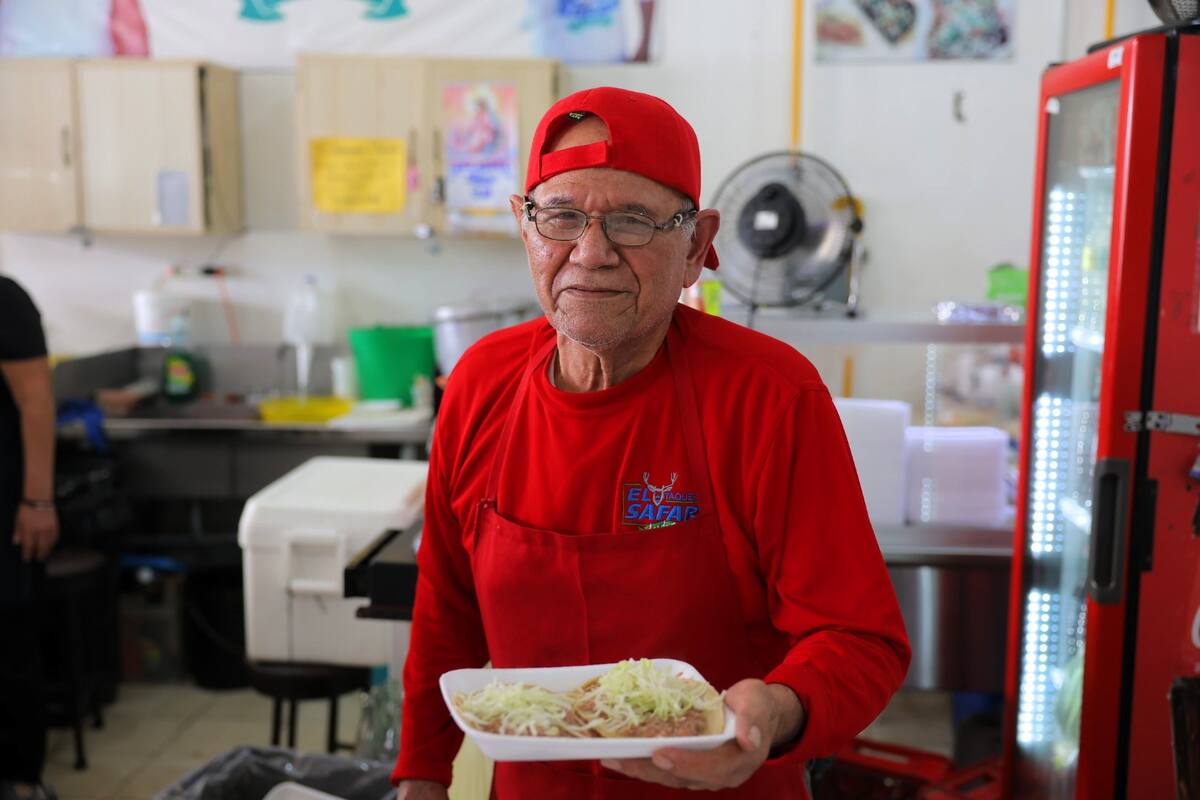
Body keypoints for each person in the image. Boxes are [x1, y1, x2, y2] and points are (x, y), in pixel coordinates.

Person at [393, 87, 910, 799]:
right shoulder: (482, 382)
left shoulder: (770, 397)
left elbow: (859, 640)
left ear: (698, 245)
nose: (592, 252)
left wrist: (777, 714)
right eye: (563, 217)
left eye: (633, 222)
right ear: (525, 226)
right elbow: (445, 610)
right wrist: (420, 772)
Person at [0, 276, 59, 800]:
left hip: (8, 508)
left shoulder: (5, 299)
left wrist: (38, 501)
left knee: (11, 643)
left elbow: (36, 402)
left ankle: (22, 781)